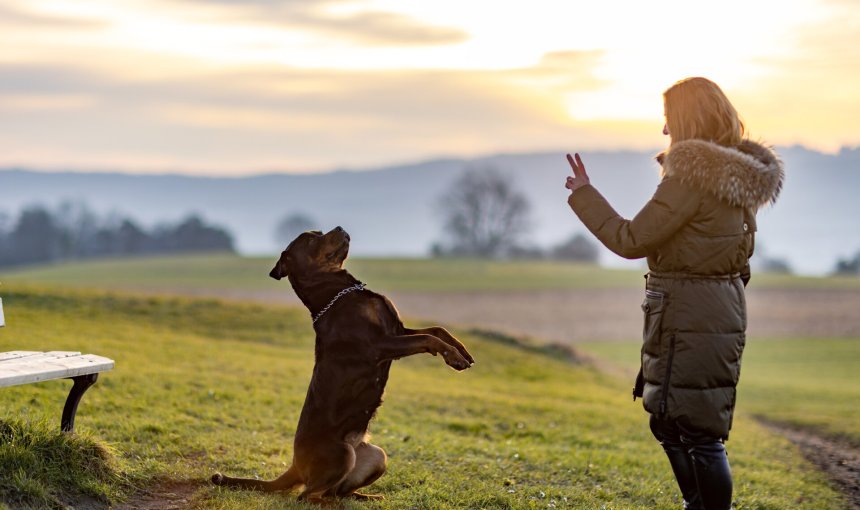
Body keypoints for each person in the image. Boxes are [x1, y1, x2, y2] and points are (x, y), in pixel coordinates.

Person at [564, 77, 784, 510]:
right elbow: (741, 253)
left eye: (668, 120)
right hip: (713, 309)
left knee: (699, 433)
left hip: (689, 313)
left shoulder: (691, 177)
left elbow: (630, 240)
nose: (664, 131)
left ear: (685, 119)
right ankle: (697, 505)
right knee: (668, 420)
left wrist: (585, 195)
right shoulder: (735, 176)